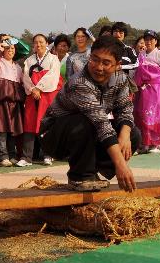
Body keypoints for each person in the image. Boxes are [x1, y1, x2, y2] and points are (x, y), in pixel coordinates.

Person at [39, 36, 138, 192]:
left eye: (106, 63)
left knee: (132, 133)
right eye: (95, 59)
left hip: (88, 133)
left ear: (117, 65)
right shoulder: (79, 83)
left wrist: (125, 135)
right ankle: (79, 177)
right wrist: (121, 166)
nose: (98, 67)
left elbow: (125, 109)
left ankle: (93, 172)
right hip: (54, 137)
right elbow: (101, 123)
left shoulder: (121, 78)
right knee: (85, 122)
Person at [21, 33, 62, 166]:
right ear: (33, 45)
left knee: (47, 124)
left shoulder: (53, 59)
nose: (38, 45)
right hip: (32, 96)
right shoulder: (29, 61)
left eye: (41, 42)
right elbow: (25, 77)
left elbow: (53, 76)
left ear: (46, 44)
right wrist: (33, 89)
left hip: (47, 95)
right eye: (36, 42)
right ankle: (27, 158)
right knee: (30, 124)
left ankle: (48, 155)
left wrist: (39, 88)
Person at [0, 37, 25, 166]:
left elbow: (22, 83)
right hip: (1, 101)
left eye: (13, 48)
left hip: (15, 102)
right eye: (8, 48)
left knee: (13, 129)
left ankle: (12, 154)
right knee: (2, 129)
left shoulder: (18, 67)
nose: (10, 51)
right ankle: (2, 156)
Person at [135, 29, 160, 153]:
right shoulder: (141, 55)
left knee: (156, 115)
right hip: (143, 89)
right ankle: (145, 143)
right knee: (143, 115)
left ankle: (157, 144)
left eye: (151, 39)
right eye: (146, 39)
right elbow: (137, 71)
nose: (148, 42)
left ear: (156, 41)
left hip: (156, 89)